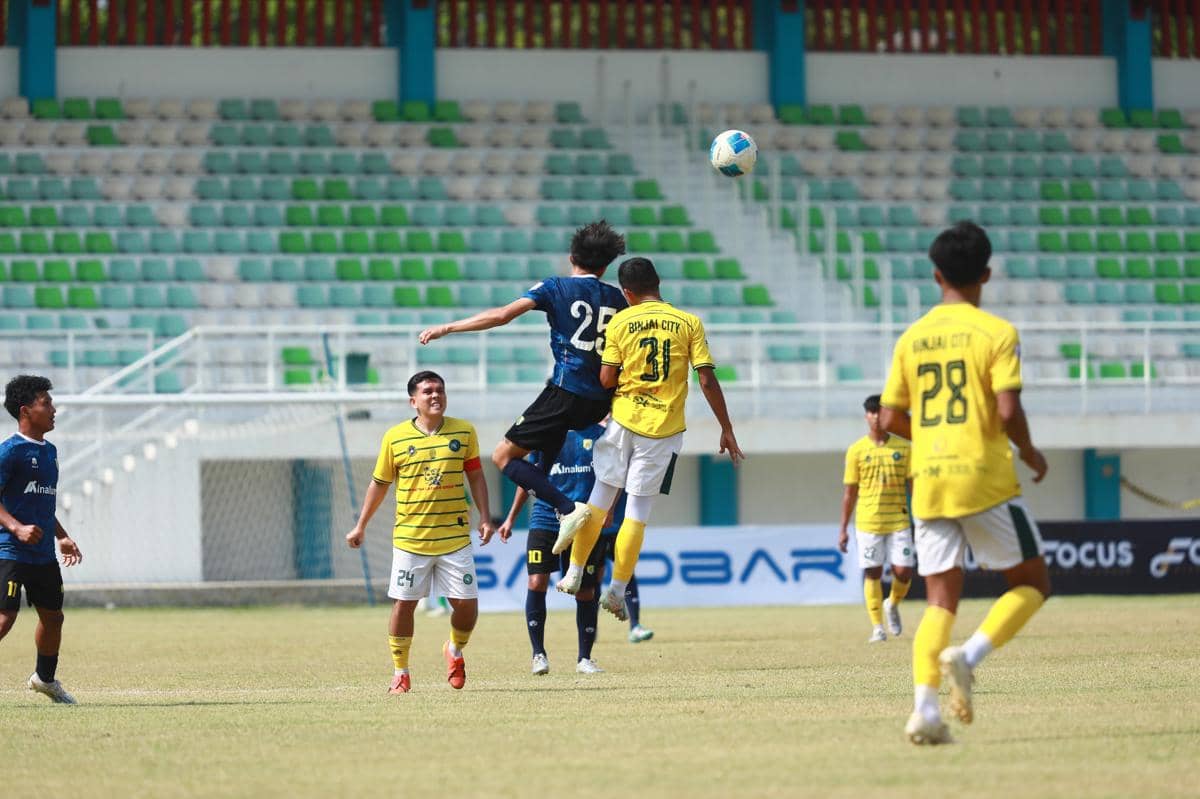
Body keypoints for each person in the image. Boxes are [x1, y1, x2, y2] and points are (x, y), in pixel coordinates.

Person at [880, 221, 1050, 745]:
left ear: (936, 275)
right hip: (984, 477)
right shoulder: (997, 333)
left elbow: (887, 418)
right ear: (987, 274)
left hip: (929, 481)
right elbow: (1007, 408)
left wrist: (929, 437)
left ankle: (925, 712)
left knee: (939, 603)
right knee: (1032, 583)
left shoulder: (912, 337)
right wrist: (1028, 450)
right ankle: (970, 657)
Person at [554, 257, 744, 622]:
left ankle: (574, 572)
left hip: (623, 420)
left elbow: (607, 378)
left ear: (627, 293)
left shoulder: (621, 320)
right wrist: (726, 427)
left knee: (598, 501)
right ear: (659, 284)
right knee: (637, 514)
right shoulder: (689, 322)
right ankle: (617, 591)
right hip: (663, 430)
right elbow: (706, 379)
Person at [418, 221, 627, 546]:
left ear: (572, 256)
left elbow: (502, 315)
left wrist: (448, 327)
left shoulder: (555, 287)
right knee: (542, 460)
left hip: (566, 392)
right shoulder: (617, 299)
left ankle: (568, 510)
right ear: (605, 265)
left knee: (504, 456)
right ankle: (570, 521)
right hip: (600, 402)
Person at [346, 371, 498, 694]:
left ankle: (454, 651)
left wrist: (485, 516)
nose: (435, 396)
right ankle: (401, 671)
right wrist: (361, 525)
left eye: (440, 390)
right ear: (413, 401)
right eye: (428, 391)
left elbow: (477, 477)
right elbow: (379, 484)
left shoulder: (464, 432)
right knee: (404, 604)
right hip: (411, 539)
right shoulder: (395, 437)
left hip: (455, 538)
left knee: (468, 606)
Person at [498, 425, 614, 676]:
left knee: (585, 591)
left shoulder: (599, 434)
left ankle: (585, 659)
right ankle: (538, 654)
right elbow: (528, 478)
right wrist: (510, 518)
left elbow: (611, 477)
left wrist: (610, 509)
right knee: (537, 581)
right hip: (545, 517)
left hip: (585, 520)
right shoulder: (547, 432)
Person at [0, 375, 83, 704]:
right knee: (5, 617)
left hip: (43, 554)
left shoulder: (50, 452)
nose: (53, 409)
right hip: (10, 549)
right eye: (46, 403)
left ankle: (44, 679)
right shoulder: (9, 452)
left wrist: (62, 536)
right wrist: (16, 528)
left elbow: (43, 502)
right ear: (25, 411)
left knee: (53, 617)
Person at [838, 394, 914, 643]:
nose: (876, 416)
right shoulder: (857, 450)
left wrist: (923, 518)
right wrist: (843, 529)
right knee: (873, 572)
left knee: (903, 571)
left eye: (880, 412)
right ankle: (878, 627)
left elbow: (914, 486)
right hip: (868, 521)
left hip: (899, 519)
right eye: (871, 412)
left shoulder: (904, 448)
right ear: (866, 416)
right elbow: (850, 492)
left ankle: (892, 603)